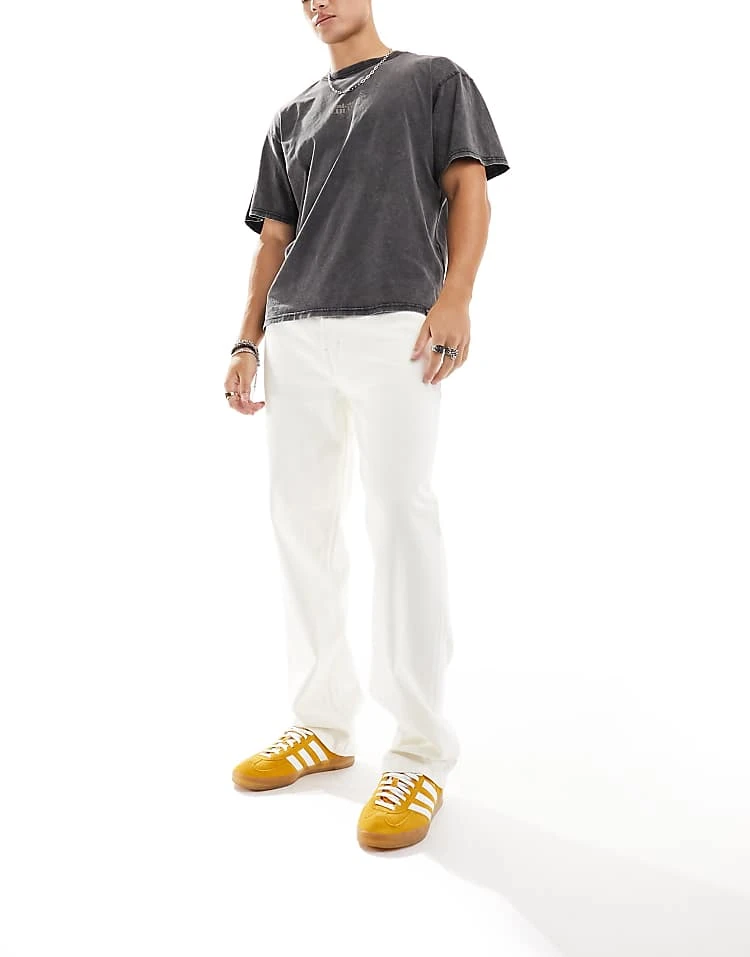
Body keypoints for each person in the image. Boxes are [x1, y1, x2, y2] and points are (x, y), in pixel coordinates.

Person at [225, 0, 510, 851]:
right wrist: (247, 338)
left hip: (395, 327)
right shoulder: (291, 116)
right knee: (301, 527)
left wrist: (456, 296)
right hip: (297, 335)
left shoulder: (432, 80)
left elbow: (467, 188)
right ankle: (322, 724)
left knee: (399, 518)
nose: (316, 2)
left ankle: (418, 752)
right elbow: (273, 241)